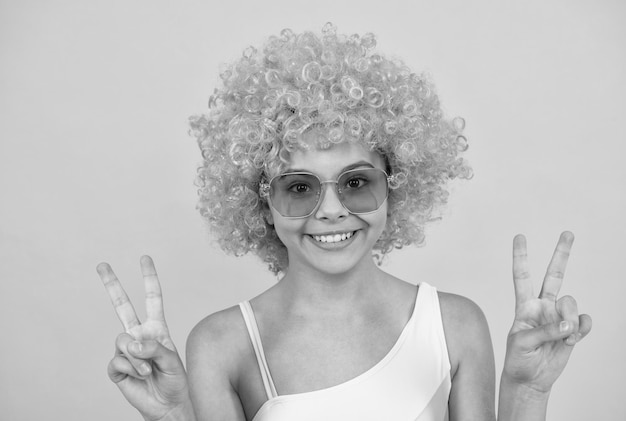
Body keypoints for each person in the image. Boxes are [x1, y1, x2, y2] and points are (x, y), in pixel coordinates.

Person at [97, 24, 592, 421]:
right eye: (300, 187)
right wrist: (171, 416)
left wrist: (527, 392)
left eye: (356, 182)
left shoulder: (454, 325)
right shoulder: (221, 344)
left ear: (394, 187)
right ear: (260, 201)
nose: (331, 210)